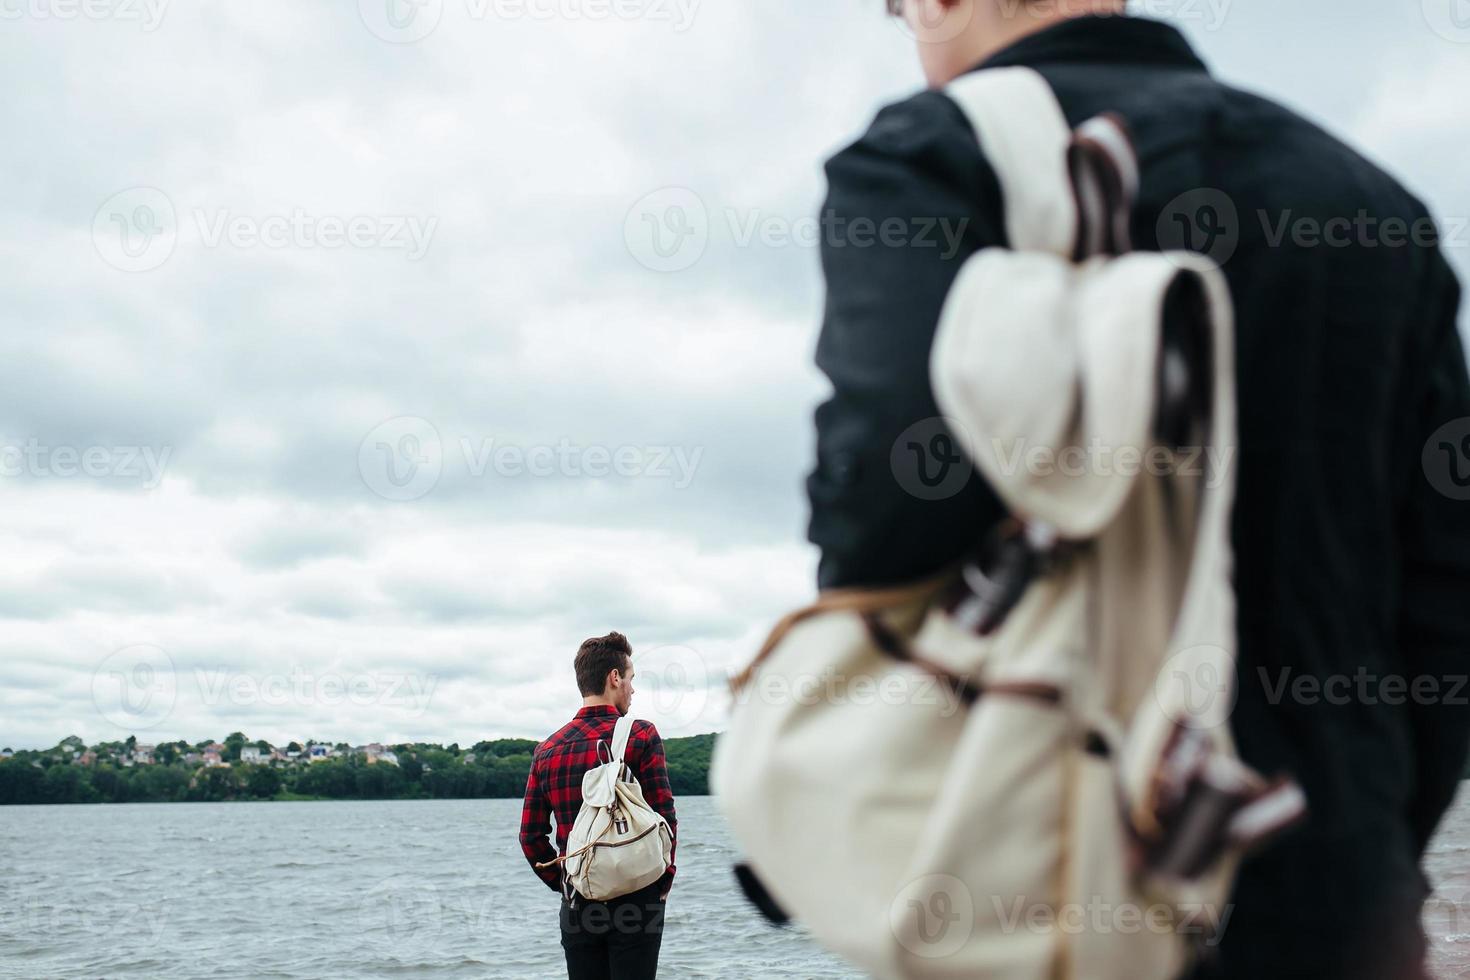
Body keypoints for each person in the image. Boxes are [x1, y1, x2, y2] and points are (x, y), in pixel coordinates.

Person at [806, 2, 1470, 978]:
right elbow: (1448, 593)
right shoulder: (1373, 200)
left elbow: (883, 518)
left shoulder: (930, 158)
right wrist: (1360, 837)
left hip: (1043, 885)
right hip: (1340, 892)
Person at [520, 631, 678, 980]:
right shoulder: (641, 734)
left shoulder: (547, 750)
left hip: (579, 902)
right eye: (631, 679)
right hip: (638, 899)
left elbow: (530, 838)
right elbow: (665, 822)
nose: (633, 689)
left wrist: (567, 882)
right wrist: (661, 884)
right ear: (614, 677)